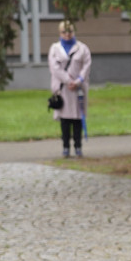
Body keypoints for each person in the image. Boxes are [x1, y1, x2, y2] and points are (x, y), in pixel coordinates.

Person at [47, 20, 90, 158]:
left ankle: (78, 147)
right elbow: (55, 68)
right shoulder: (54, 48)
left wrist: (78, 81)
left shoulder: (82, 48)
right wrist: (68, 80)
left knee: (77, 119)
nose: (67, 35)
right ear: (60, 33)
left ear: (74, 32)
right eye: (64, 32)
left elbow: (86, 66)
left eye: (70, 31)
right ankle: (65, 147)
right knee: (65, 119)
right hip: (63, 88)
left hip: (78, 89)